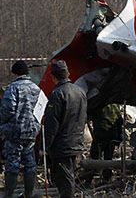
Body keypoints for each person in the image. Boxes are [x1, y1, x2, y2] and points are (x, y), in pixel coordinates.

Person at [44, 60, 87, 198]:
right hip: (76, 141)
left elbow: (52, 124)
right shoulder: (80, 92)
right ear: (67, 73)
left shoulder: (57, 94)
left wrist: (44, 146)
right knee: (69, 177)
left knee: (65, 181)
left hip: (62, 145)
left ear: (53, 77)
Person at [0, 60, 41, 198]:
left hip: (15, 131)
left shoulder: (12, 88)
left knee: (12, 164)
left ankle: (9, 194)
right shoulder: (36, 88)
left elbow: (7, 110)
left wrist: (3, 125)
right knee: (30, 162)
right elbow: (40, 110)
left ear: (15, 73)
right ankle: (29, 193)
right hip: (31, 131)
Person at [85, 103, 122, 184]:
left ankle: (88, 180)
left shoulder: (99, 104)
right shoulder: (115, 105)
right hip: (112, 135)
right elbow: (120, 121)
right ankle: (107, 178)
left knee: (94, 157)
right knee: (108, 158)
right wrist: (119, 138)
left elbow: (88, 115)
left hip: (101, 134)